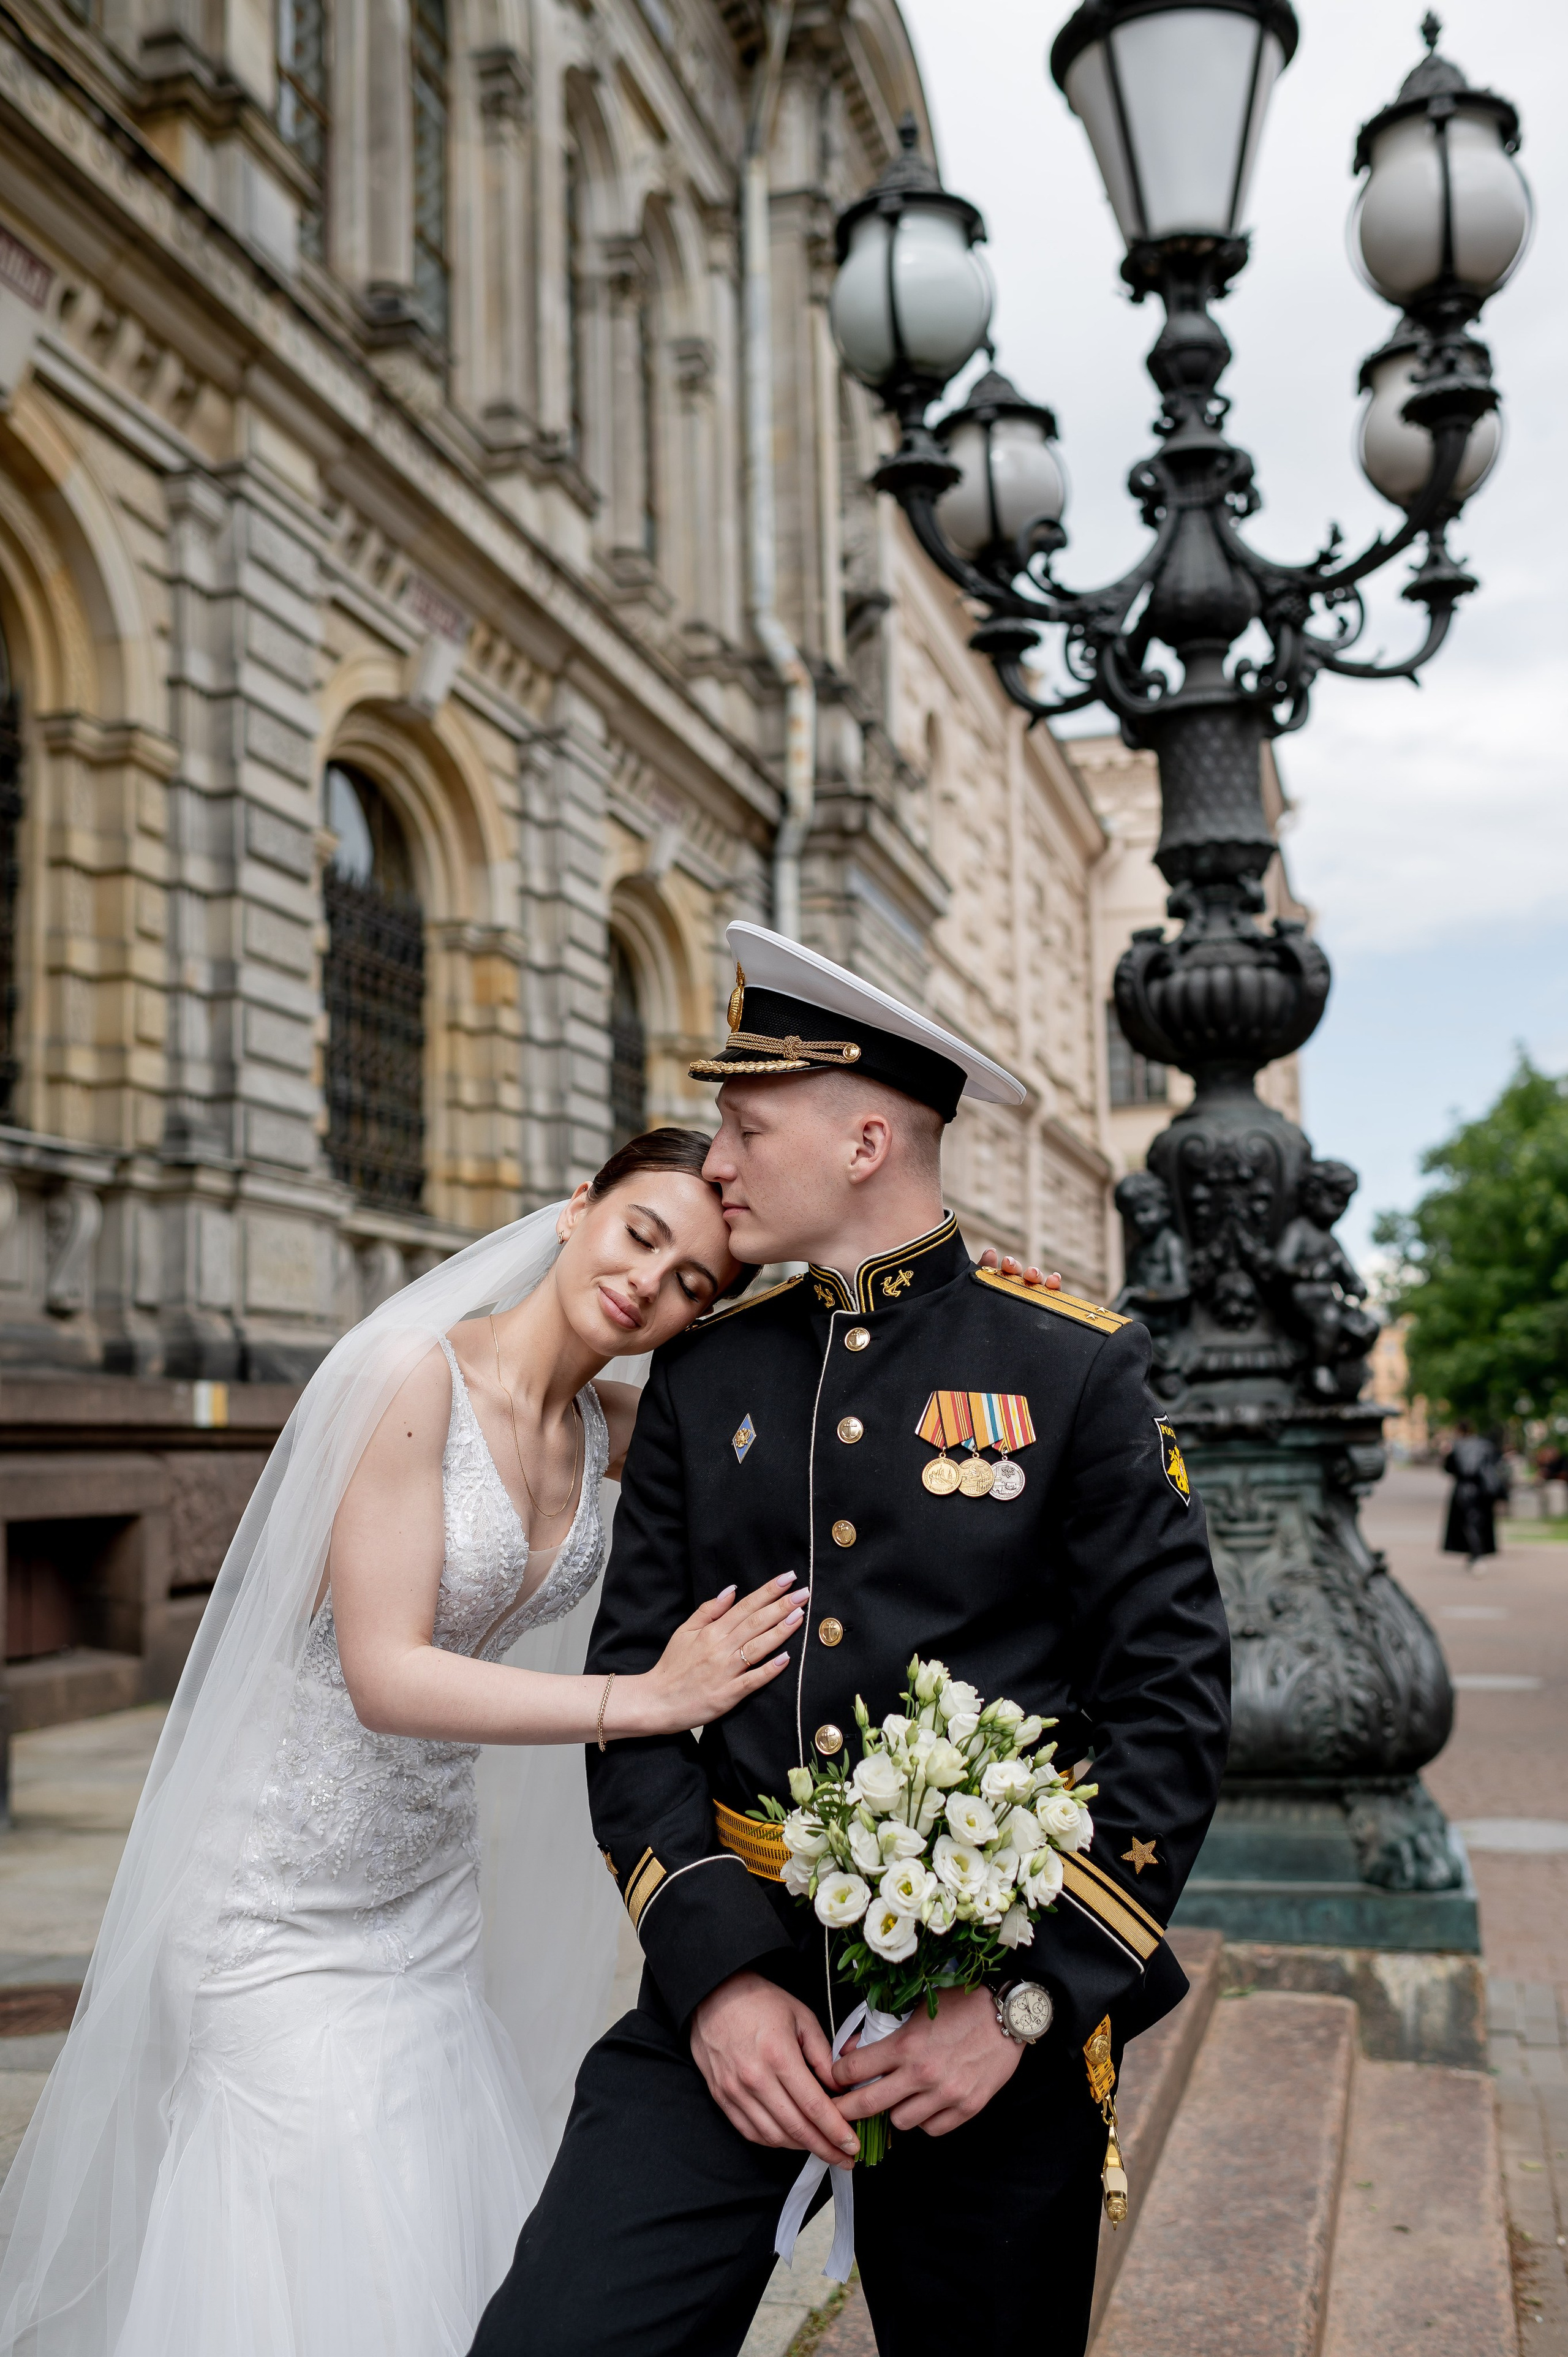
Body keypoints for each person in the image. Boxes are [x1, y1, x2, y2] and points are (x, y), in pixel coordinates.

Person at [471, 922, 1232, 2357]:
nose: (716, 1163)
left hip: (979, 2024)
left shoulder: (1067, 1362)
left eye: (746, 1127)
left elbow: (1171, 1708)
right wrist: (715, 1976)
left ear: (867, 1136)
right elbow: (633, 1698)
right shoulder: (706, 1371)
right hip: (734, 1981)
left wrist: (1016, 1999)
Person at [0, 1129, 813, 2357]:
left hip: (425, 1901)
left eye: (693, 1281)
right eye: (641, 1233)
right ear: (575, 1207)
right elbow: (385, 1675)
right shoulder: (406, 1375)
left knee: (433, 2230)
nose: (652, 1282)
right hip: (274, 1904)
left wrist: (925, 1285)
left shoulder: (607, 1423)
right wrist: (642, 1699)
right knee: (310, 2241)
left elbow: (789, 1414)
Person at [1443, 1420, 1507, 1571]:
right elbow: (1496, 1465)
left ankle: (1476, 1555)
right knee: (1480, 1522)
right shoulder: (1485, 1445)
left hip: (1465, 1489)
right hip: (1485, 1490)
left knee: (1469, 1523)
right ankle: (1476, 1554)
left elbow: (1448, 1468)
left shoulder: (1457, 1446)